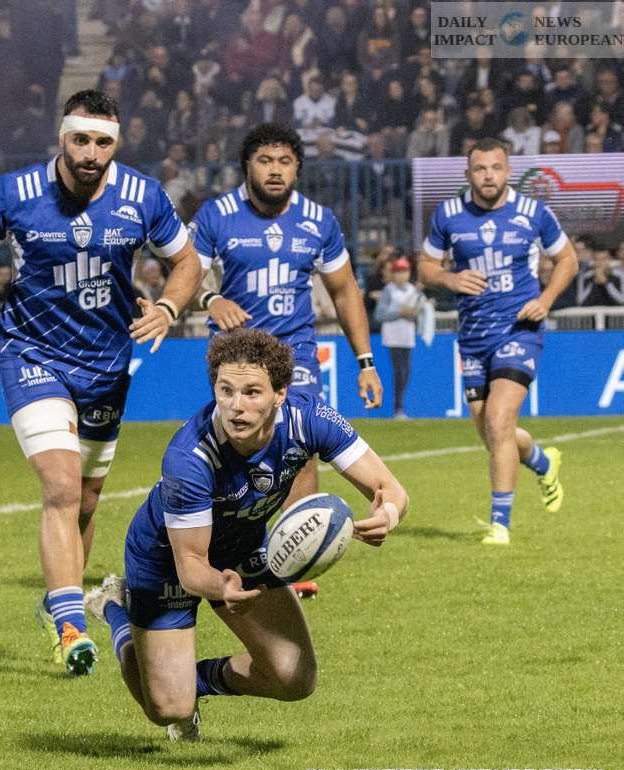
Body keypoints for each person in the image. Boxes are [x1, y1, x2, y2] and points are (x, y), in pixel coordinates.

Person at [0, 89, 203, 677]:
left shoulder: (144, 196)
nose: (90, 153)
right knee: (60, 486)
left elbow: (187, 261)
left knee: (84, 499)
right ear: (62, 138)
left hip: (106, 364)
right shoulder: (14, 192)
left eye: (102, 142)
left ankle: (57, 603)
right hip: (31, 353)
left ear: (116, 144)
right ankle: (70, 627)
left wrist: (168, 307)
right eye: (80, 140)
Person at [84, 327, 409, 741]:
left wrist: (388, 514)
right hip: (166, 556)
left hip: (241, 546)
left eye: (252, 392)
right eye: (226, 391)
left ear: (280, 393)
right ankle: (116, 608)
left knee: (294, 678)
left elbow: (391, 489)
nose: (236, 406)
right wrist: (221, 587)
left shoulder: (309, 418)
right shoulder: (190, 458)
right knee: (167, 709)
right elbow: (190, 566)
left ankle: (194, 682)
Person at [188, 122, 383, 508]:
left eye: (285, 161)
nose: (275, 170)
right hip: (235, 355)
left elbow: (344, 291)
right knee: (239, 448)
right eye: (265, 160)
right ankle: (241, 539)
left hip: (295, 354)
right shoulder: (216, 215)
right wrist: (211, 299)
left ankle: (298, 547)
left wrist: (366, 362)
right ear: (247, 166)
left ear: (297, 169)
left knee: (299, 444)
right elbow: (185, 278)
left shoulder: (319, 220)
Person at [418, 138, 579, 545]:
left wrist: (545, 300)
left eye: (496, 167)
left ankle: (499, 525)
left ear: (508, 171)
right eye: (480, 169)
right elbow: (425, 267)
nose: (488, 176)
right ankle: (543, 462)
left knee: (499, 419)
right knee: (493, 434)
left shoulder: (533, 212)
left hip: (518, 330)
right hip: (473, 337)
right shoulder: (448, 214)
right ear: (468, 174)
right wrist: (450, 278)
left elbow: (568, 259)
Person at [374, 256, 425, 419]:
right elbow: (379, 313)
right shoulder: (389, 290)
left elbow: (417, 311)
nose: (402, 276)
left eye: (405, 272)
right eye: (399, 272)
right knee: (399, 371)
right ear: (393, 274)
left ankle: (400, 405)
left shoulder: (412, 290)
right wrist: (399, 313)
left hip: (407, 335)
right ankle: (398, 407)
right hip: (393, 335)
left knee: (406, 372)